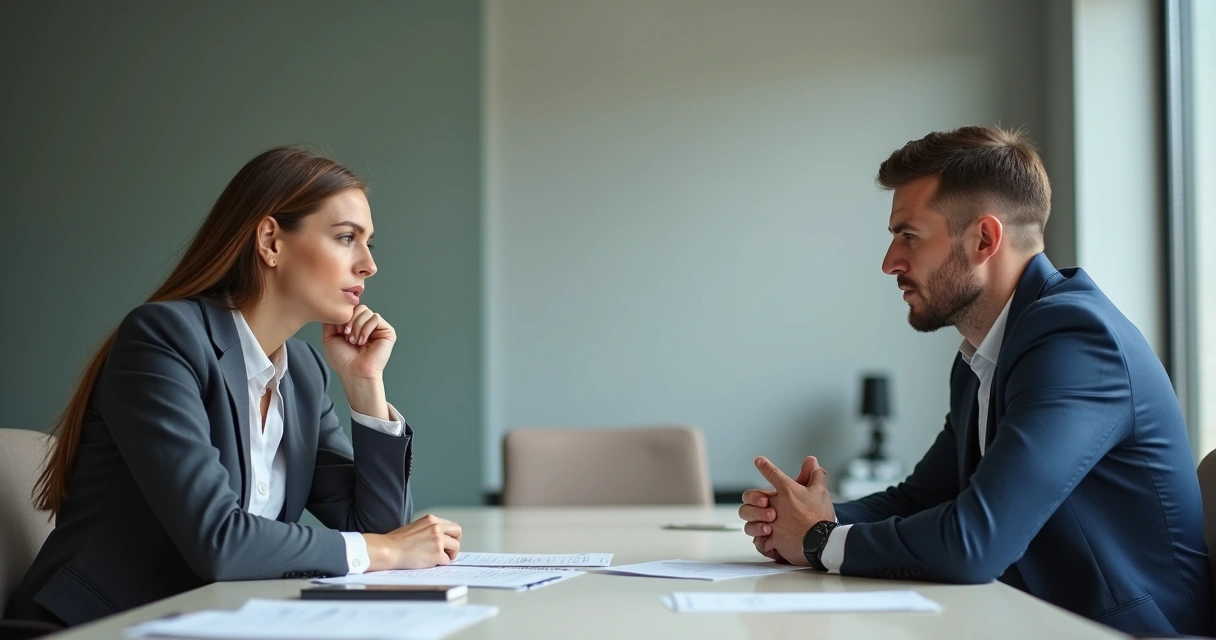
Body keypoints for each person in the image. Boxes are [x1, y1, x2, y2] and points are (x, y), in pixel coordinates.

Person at [738, 126, 1212, 635]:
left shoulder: (1075, 340)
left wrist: (818, 540)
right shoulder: (985, 352)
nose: (890, 262)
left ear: (984, 239)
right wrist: (805, 516)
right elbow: (921, 499)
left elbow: (976, 543)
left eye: (909, 235)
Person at [5, 147, 462, 627]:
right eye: (347, 238)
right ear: (270, 241)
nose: (368, 264)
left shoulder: (304, 373)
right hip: (97, 628)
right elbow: (218, 540)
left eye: (368, 243)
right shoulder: (163, 339)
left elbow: (381, 529)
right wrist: (384, 550)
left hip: (215, 623)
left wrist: (365, 384)